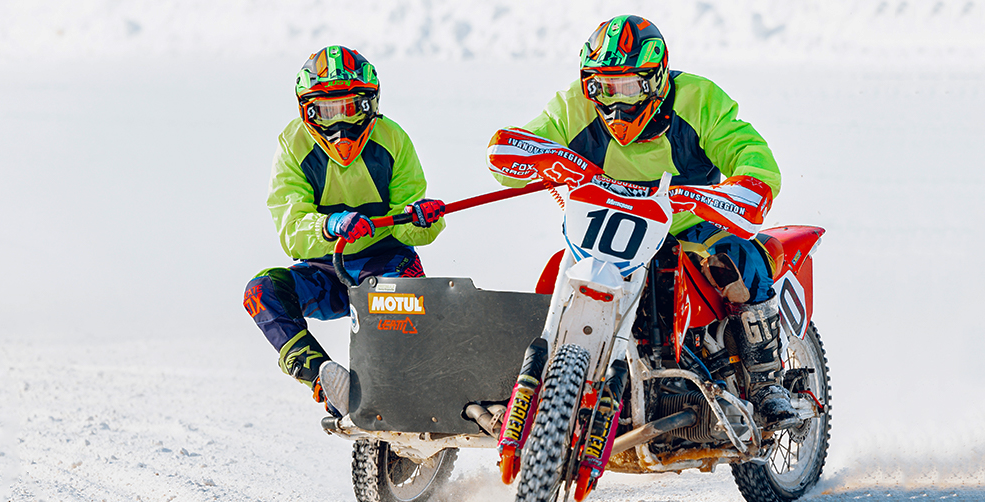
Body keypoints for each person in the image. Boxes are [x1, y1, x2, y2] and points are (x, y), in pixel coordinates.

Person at [494, 15, 798, 428]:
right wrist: (541, 155)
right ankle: (544, 380)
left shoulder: (697, 98)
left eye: (629, 85)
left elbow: (746, 149)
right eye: (601, 85)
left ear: (654, 79)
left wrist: (747, 184)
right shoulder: (575, 105)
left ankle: (767, 382)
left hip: (688, 222)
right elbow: (520, 142)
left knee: (736, 258)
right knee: (555, 275)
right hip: (606, 225)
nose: (614, 99)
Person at [244, 45, 447, 418]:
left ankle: (412, 387)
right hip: (326, 271)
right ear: (308, 111)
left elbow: (415, 229)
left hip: (386, 265)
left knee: (397, 314)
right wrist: (330, 225)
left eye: (350, 108)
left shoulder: (392, 139)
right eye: (324, 111)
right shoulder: (294, 145)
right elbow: (291, 229)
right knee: (262, 291)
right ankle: (328, 384)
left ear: (369, 105)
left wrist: (422, 217)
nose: (338, 125)